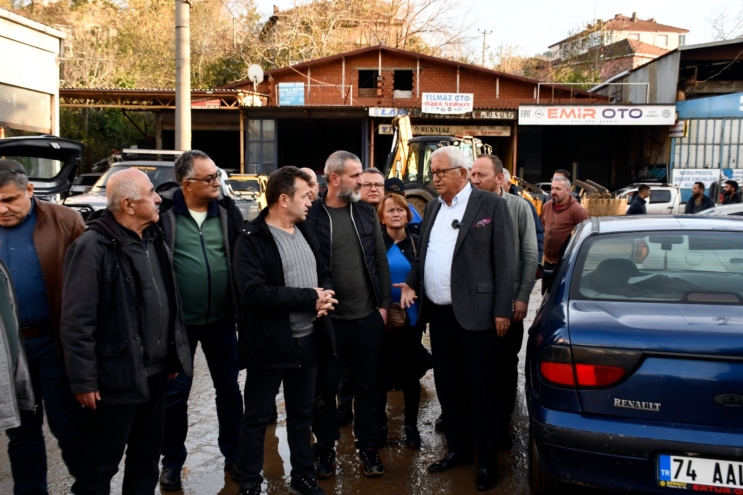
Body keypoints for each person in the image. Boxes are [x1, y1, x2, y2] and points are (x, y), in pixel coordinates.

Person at [61, 168, 193, 494]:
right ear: (129, 204)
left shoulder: (154, 237)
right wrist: (84, 380)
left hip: (156, 374)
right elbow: (77, 321)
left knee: (146, 458)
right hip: (114, 379)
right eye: (150, 193)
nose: (158, 197)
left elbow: (168, 301)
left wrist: (172, 357)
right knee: (100, 466)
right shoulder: (92, 247)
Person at [396, 146, 515, 491]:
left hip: (478, 317)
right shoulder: (432, 208)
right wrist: (413, 283)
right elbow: (424, 257)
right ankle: (459, 450)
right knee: (449, 389)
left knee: (482, 390)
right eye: (433, 172)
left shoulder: (490, 206)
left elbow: (504, 262)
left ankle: (487, 461)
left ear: (462, 173)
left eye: (440, 172)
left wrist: (502, 310)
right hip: (441, 317)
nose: (434, 178)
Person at [232, 167, 337, 495]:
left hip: (309, 341)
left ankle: (303, 475)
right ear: (282, 199)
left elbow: (323, 271)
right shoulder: (252, 239)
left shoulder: (305, 230)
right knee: (257, 417)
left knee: (302, 414)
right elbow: (254, 292)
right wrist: (310, 298)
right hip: (270, 343)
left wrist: (325, 295)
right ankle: (249, 481)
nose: (310, 202)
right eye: (305, 196)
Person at [158, 150, 244, 490]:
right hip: (180, 325)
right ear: (186, 184)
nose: (216, 183)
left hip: (222, 320)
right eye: (209, 179)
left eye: (216, 176)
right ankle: (172, 463)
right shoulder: (163, 214)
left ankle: (234, 456)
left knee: (228, 389)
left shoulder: (226, 211)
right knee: (175, 395)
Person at [0, 159, 87, 494]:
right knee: (20, 431)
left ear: (30, 190)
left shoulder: (65, 221)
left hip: (55, 345)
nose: (3, 208)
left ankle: (89, 487)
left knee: (69, 427)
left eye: (10, 200)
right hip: (9, 350)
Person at [308, 150, 391, 479]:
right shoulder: (311, 216)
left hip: (367, 318)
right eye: (356, 176)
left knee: (369, 388)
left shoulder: (366, 213)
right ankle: (325, 451)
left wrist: (383, 306)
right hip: (328, 322)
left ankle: (369, 449)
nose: (362, 181)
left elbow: (380, 261)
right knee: (325, 389)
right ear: (334, 179)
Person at [470, 155, 538, 450]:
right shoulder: (468, 206)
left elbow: (530, 255)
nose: (474, 180)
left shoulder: (518, 207)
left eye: (480, 175)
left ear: (499, 179)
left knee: (504, 366)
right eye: (471, 174)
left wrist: (521, 297)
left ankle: (503, 425)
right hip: (475, 306)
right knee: (476, 367)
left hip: (508, 304)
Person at [377, 193, 425, 449]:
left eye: (400, 210)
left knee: (410, 374)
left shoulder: (418, 244)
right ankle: (382, 426)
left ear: (408, 215)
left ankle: (411, 426)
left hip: (411, 319)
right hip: (381, 318)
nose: (396, 214)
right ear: (381, 216)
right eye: (390, 210)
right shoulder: (374, 244)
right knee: (380, 375)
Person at [541, 176, 589, 275]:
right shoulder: (546, 207)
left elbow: (586, 235)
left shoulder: (577, 210)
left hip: (565, 263)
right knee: (546, 290)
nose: (553, 192)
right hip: (547, 262)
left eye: (558, 189)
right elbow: (542, 227)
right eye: (552, 188)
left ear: (568, 190)